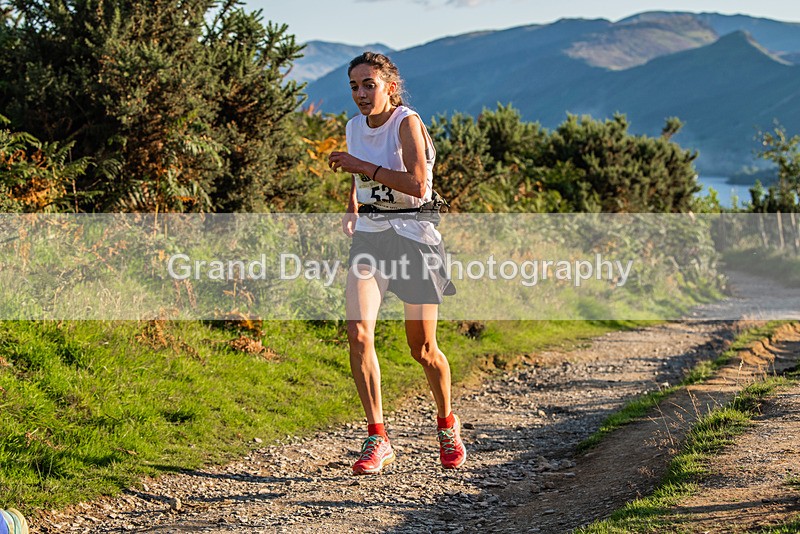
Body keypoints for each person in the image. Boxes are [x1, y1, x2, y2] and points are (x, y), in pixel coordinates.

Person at [327, 52, 466, 475]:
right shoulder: (354, 127)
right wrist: (353, 204)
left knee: (422, 349)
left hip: (414, 238)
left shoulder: (407, 122)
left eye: (369, 84)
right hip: (372, 237)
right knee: (358, 333)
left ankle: (446, 424)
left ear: (389, 85)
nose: (361, 94)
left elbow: (418, 185)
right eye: (354, 86)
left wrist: (360, 165)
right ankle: (378, 437)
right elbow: (360, 180)